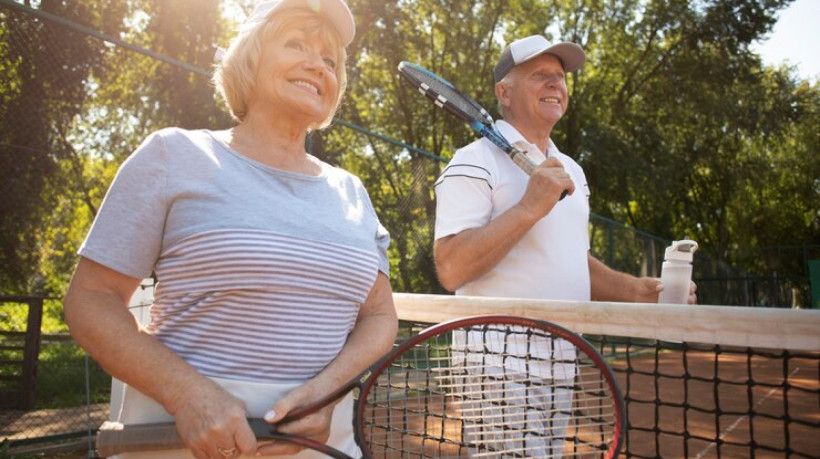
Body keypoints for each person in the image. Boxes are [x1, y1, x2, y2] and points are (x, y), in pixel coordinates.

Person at [62, 1, 397, 458]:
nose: (316, 64)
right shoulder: (173, 155)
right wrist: (186, 394)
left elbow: (380, 316)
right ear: (251, 58)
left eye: (330, 60)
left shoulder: (352, 190)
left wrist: (327, 392)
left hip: (322, 445)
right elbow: (91, 299)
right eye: (296, 44)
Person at [434, 35, 697, 456]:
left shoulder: (569, 168)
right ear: (504, 91)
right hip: (497, 367)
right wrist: (528, 207)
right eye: (540, 75)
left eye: (560, 77)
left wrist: (637, 291)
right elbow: (451, 267)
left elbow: (571, 259)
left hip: (561, 364)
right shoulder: (473, 161)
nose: (555, 84)